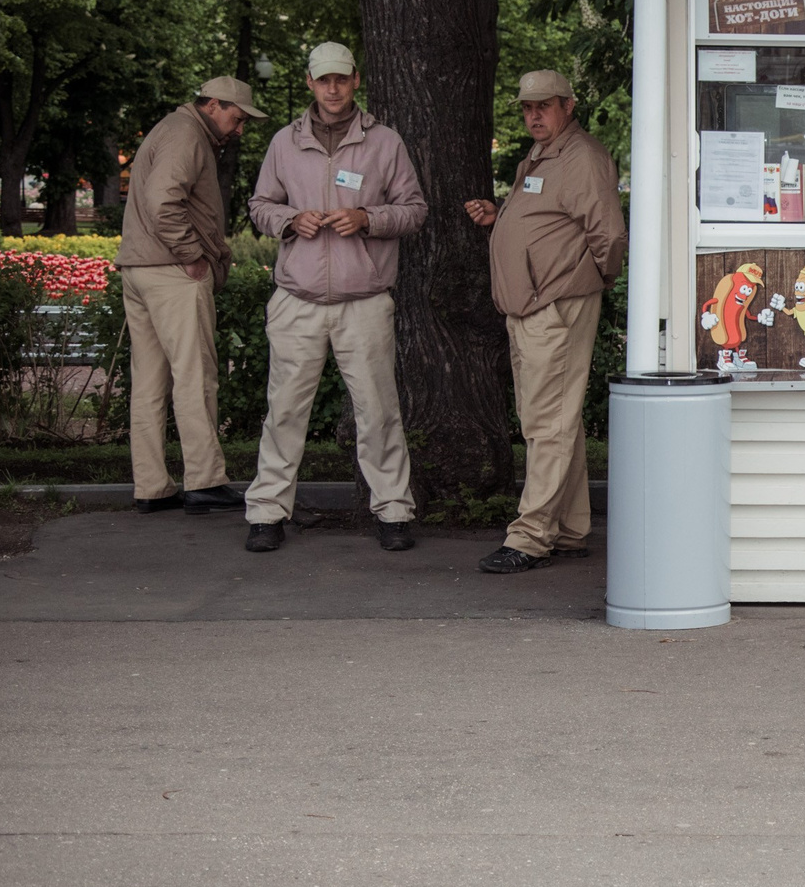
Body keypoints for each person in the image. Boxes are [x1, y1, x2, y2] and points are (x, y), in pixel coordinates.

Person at [241, 43, 428, 554]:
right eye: (323, 80)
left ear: (355, 80)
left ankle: (392, 510)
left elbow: (414, 209)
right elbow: (260, 204)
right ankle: (266, 513)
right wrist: (287, 220)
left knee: (379, 411)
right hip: (296, 298)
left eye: (341, 80)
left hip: (363, 299)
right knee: (283, 411)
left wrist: (369, 218)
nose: (332, 89)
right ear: (309, 82)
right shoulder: (284, 142)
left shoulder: (385, 142)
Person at [461, 70, 625, 574]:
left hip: (554, 304)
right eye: (527, 107)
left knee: (545, 423)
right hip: (533, 305)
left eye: (545, 106)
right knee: (557, 418)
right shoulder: (542, 156)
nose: (534, 115)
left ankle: (530, 537)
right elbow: (547, 217)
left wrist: (584, 280)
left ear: (568, 106)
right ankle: (570, 529)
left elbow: (609, 236)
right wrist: (502, 216)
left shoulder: (583, 158)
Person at [116, 76, 265, 514]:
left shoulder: (172, 128)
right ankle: (203, 480)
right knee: (195, 375)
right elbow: (164, 200)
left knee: (149, 383)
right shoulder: (187, 134)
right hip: (172, 272)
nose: (239, 129)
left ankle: (152, 486)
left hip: (141, 268)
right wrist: (192, 255)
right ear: (213, 105)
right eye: (236, 118)